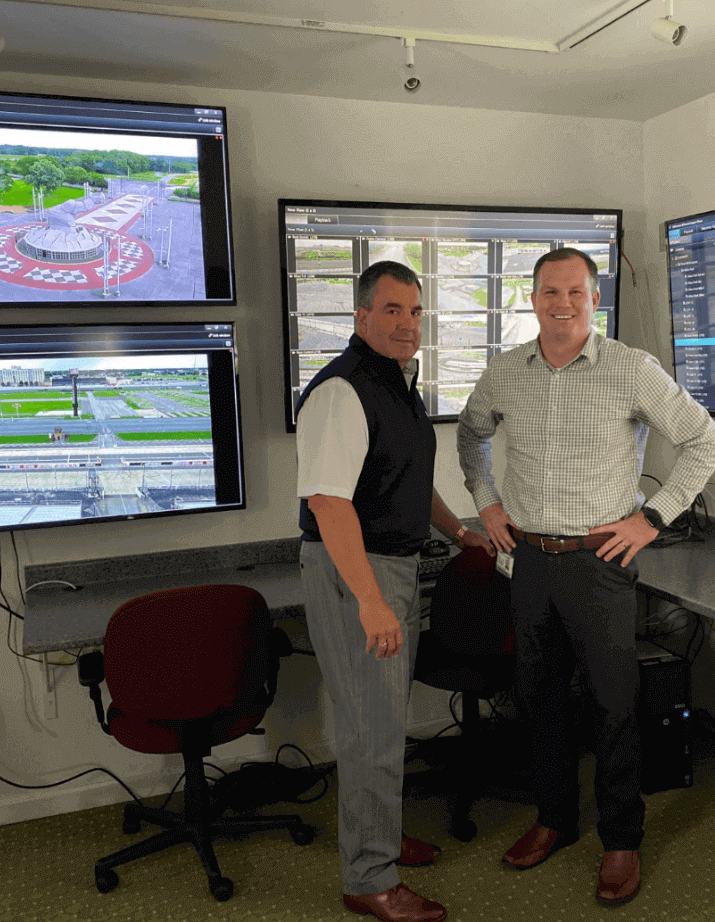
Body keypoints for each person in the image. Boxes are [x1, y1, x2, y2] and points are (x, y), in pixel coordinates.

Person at [456, 247, 715, 907]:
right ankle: (553, 817)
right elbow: (469, 434)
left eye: (575, 292)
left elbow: (706, 441)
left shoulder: (630, 369)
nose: (562, 304)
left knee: (613, 705)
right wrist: (486, 501)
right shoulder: (505, 372)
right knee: (539, 699)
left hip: (599, 563)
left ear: (594, 299)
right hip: (527, 560)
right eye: (550, 292)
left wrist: (652, 518)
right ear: (532, 299)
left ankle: (621, 839)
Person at [296, 260, 491, 922]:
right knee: (370, 733)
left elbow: (407, 478)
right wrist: (371, 601)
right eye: (391, 310)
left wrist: (458, 531)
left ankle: (376, 838)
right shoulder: (342, 390)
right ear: (360, 317)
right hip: (358, 571)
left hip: (391, 565)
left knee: (381, 723)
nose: (408, 324)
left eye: (415, 312)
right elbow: (328, 504)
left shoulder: (395, 384)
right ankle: (369, 879)